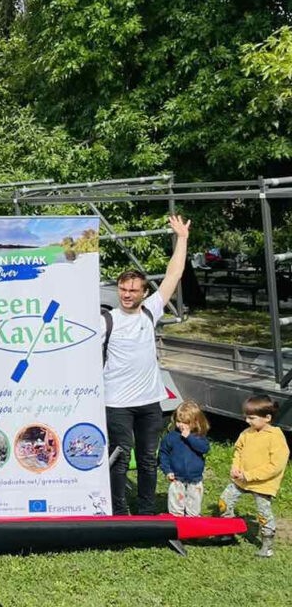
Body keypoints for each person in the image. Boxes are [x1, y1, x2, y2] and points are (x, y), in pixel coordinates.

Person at [104, 214, 190, 516]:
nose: (127, 295)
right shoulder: (106, 320)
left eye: (133, 291)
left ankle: (145, 511)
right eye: (123, 290)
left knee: (148, 459)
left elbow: (173, 274)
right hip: (116, 404)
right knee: (120, 456)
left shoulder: (151, 311)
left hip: (149, 403)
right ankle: (118, 510)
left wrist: (182, 239)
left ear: (143, 293)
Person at [219, 395, 288, 558]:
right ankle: (228, 531)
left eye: (252, 418)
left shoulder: (275, 436)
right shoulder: (246, 433)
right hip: (241, 480)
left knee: (264, 514)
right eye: (246, 417)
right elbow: (238, 451)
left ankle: (267, 545)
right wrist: (235, 468)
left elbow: (275, 466)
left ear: (267, 418)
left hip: (263, 483)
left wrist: (249, 475)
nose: (247, 421)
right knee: (224, 502)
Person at [157, 401, 210, 518]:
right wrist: (167, 470)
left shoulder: (198, 436)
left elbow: (204, 449)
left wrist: (189, 438)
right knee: (175, 504)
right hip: (177, 477)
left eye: (186, 423)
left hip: (195, 478)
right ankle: (176, 526)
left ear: (195, 423)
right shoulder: (171, 437)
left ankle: (192, 525)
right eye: (178, 421)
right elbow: (163, 454)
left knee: (194, 504)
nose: (181, 425)